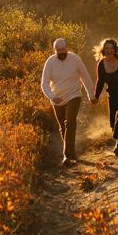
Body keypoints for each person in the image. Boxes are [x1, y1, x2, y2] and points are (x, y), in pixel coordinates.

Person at [40, 37, 95, 166]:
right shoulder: (50, 62)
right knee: (63, 127)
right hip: (57, 98)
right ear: (55, 51)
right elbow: (44, 83)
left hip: (73, 95)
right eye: (58, 50)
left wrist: (91, 95)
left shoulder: (75, 59)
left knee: (70, 122)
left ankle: (67, 155)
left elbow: (85, 77)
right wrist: (52, 97)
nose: (61, 52)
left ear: (67, 48)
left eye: (63, 49)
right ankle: (72, 152)